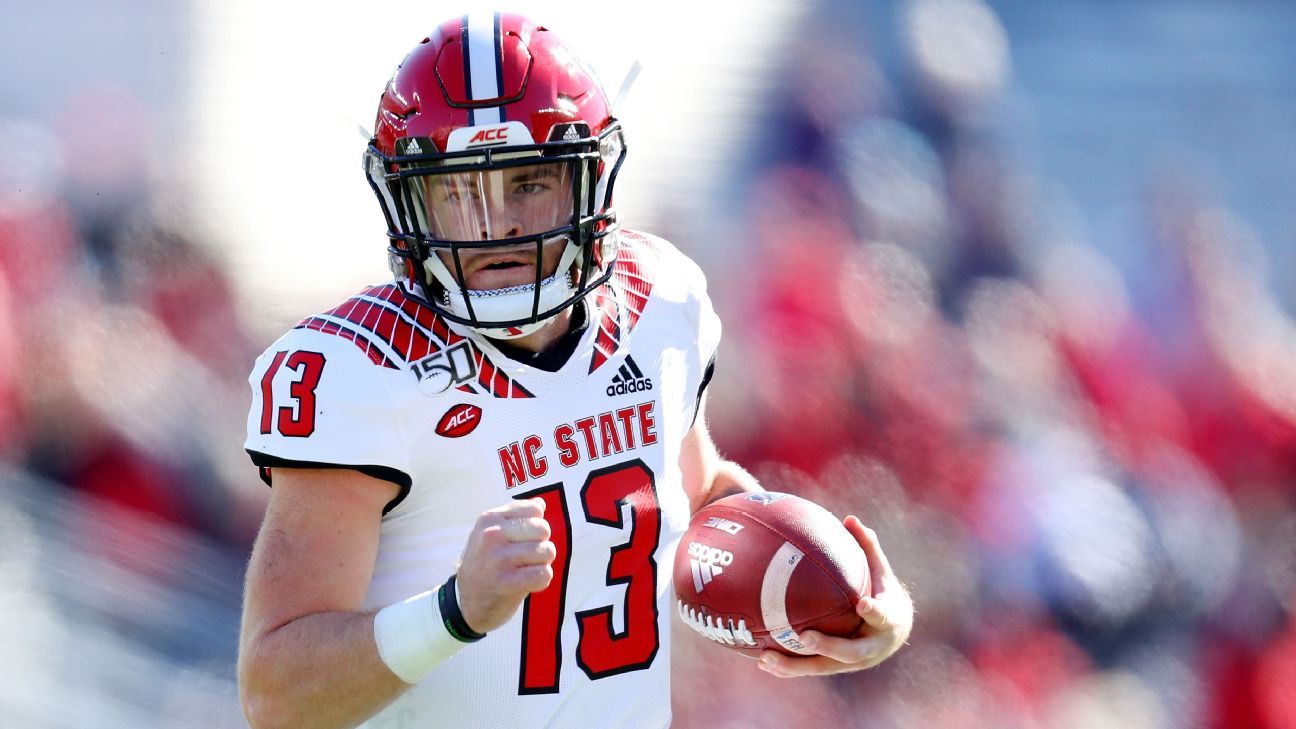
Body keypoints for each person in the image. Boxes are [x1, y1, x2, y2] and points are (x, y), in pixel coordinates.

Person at [237, 12, 913, 729]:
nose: (496, 223)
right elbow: (276, 693)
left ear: (589, 179)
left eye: (528, 183)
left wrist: (849, 598)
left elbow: (694, 496)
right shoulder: (358, 372)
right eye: (461, 192)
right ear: (409, 200)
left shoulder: (660, 301)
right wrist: (454, 611)